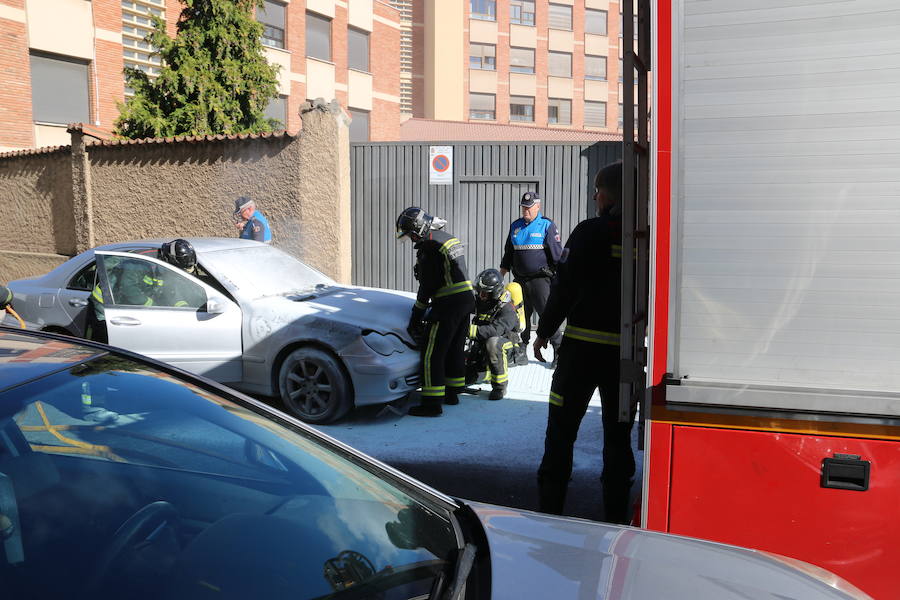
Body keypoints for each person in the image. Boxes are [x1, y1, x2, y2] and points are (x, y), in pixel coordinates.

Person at [532, 161, 635, 524]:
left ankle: (550, 514)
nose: (594, 197)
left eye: (597, 191)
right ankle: (616, 518)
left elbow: (564, 287)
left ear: (607, 195)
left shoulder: (589, 232)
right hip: (626, 359)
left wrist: (544, 331)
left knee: (561, 432)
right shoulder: (646, 235)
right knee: (618, 438)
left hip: (579, 355)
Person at [397, 207, 474, 417]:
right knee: (454, 349)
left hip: (447, 305)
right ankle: (452, 393)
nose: (412, 240)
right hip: (465, 301)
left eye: (412, 235)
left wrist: (416, 316)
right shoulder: (447, 238)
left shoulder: (429, 246)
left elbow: (428, 286)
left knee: (432, 353)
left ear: (419, 228)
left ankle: (431, 404)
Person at [499, 191, 563, 363]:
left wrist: (561, 278)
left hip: (540, 280)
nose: (525, 210)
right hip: (520, 280)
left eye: (529, 207)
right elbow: (508, 253)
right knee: (520, 316)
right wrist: (501, 275)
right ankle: (521, 350)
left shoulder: (546, 225)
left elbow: (557, 256)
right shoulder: (516, 226)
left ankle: (559, 349)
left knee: (547, 314)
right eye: (523, 207)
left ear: (537, 207)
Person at [465, 269, 521, 401]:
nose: (481, 295)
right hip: (482, 344)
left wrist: (468, 331)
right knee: (466, 376)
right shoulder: (481, 301)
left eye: (485, 293)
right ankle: (483, 371)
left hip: (506, 345)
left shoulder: (507, 308)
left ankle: (499, 387)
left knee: (493, 343)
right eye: (480, 292)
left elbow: (495, 330)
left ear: (495, 293)